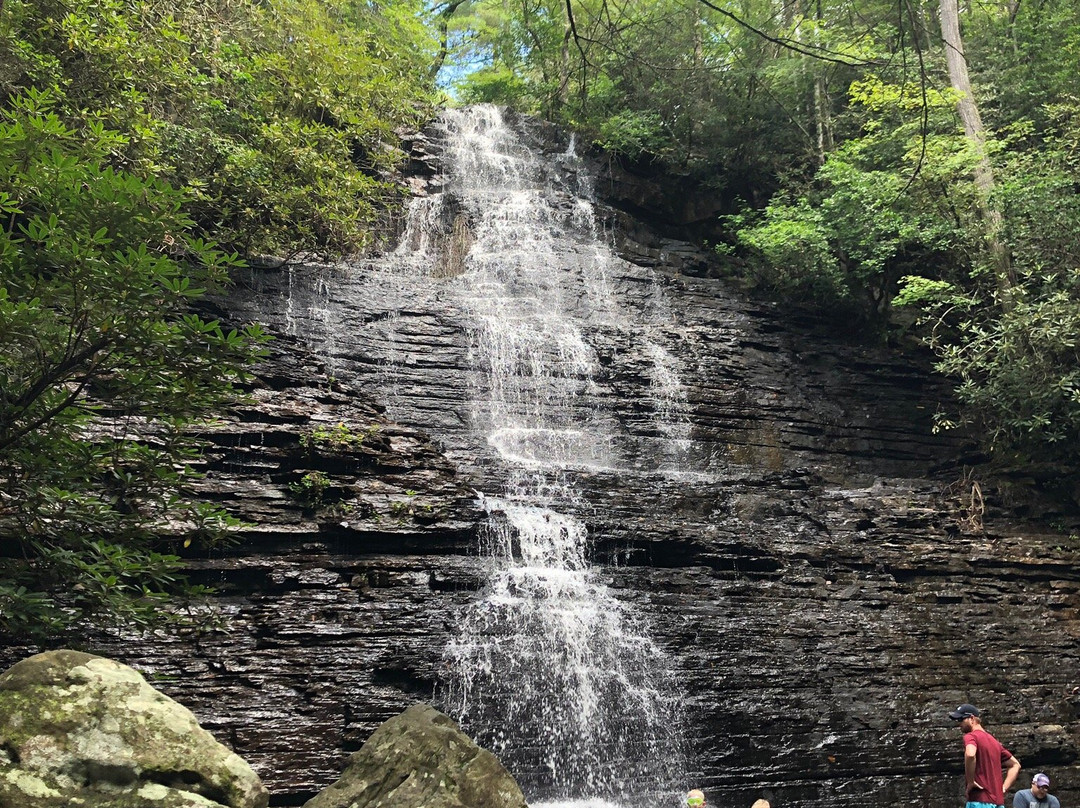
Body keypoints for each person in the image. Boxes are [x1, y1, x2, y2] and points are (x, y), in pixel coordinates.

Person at [949, 703, 1022, 808]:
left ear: (972, 718)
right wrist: (1003, 788)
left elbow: (970, 754)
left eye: (961, 719)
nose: (959, 724)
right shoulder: (994, 742)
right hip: (998, 803)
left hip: (979, 800)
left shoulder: (971, 736)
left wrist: (970, 781)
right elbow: (1015, 765)